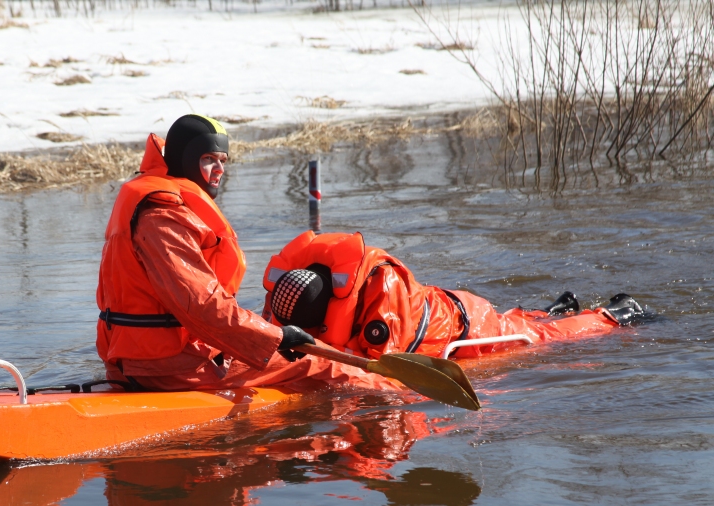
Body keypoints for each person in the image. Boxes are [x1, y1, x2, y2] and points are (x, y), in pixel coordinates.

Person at [95, 115, 395, 392]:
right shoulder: (163, 216)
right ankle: (402, 400)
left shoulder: (153, 204)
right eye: (208, 159)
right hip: (171, 365)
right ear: (183, 160)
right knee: (328, 368)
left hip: (142, 358)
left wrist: (268, 334)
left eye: (223, 160)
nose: (219, 169)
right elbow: (200, 304)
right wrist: (275, 338)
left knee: (310, 350)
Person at [261, 230, 645, 360]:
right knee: (515, 322)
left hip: (466, 328)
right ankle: (554, 307)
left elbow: (381, 372)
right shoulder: (293, 290)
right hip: (446, 306)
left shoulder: (384, 289)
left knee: (540, 338)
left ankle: (613, 316)